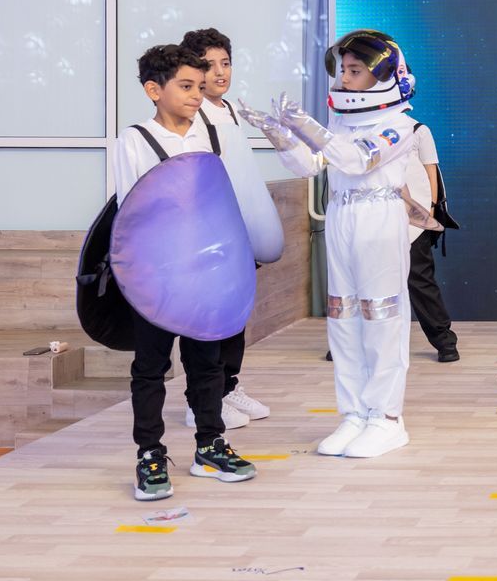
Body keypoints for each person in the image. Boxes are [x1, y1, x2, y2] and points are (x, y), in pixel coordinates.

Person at [241, 29, 426, 459]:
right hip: (342, 214)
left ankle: (387, 419)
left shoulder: (403, 125)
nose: (345, 78)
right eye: (343, 69)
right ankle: (355, 414)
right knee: (343, 319)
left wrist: (305, 124)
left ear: (382, 76)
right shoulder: (342, 122)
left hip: (378, 218)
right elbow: (311, 165)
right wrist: (278, 133)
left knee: (382, 318)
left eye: (355, 70)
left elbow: (356, 159)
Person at [119, 43, 256, 501]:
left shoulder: (212, 137)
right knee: (151, 367)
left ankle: (209, 445)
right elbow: (129, 211)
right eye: (186, 86)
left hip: (206, 273)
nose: (197, 95)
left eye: (200, 87)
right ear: (153, 90)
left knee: (207, 364)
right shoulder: (134, 140)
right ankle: (150, 455)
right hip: (155, 276)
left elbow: (226, 204)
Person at [180, 26, 269, 430]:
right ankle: (200, 401)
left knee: (235, 314)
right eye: (208, 65)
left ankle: (228, 386)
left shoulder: (229, 109)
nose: (219, 73)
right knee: (209, 319)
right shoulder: (193, 112)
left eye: (225, 63)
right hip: (211, 232)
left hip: (239, 230)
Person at [403, 117, 460, 362]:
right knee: (363, 280)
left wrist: (431, 210)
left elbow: (430, 171)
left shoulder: (417, 130)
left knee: (419, 279)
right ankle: (349, 342)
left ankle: (444, 341)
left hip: (414, 217)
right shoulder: (361, 128)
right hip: (373, 217)